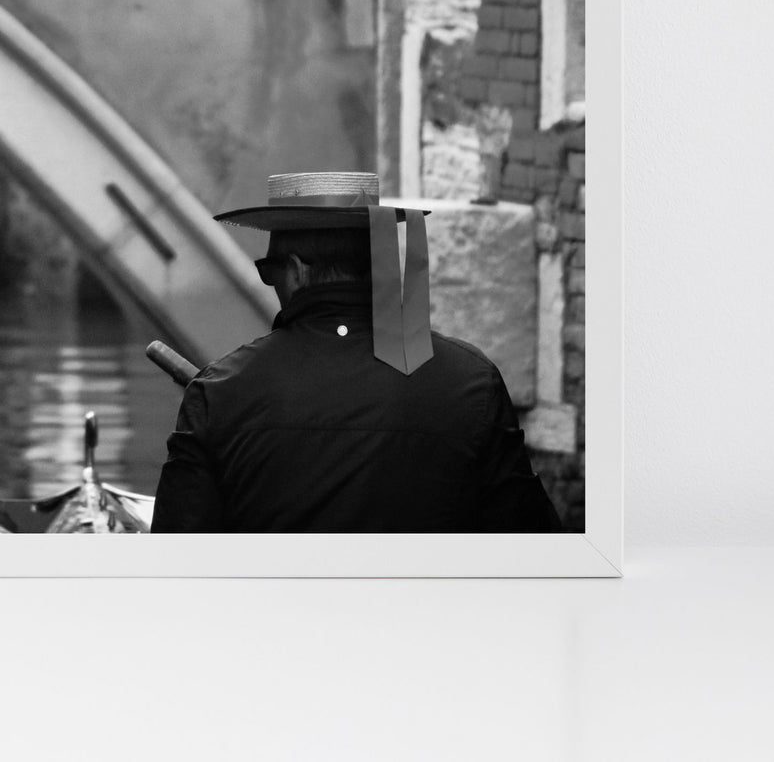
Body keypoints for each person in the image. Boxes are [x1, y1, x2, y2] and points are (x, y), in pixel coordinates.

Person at [151, 171, 562, 533]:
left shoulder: (219, 394)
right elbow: (537, 547)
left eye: (269, 271)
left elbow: (177, 569)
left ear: (296, 270)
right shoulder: (474, 383)